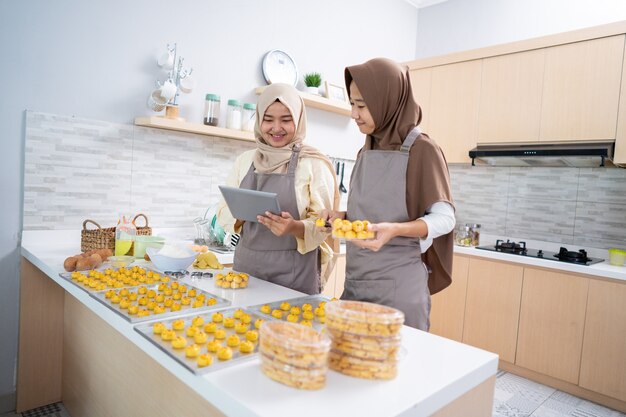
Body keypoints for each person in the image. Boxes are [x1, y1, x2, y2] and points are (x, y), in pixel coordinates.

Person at [320, 58, 455, 330]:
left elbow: (445, 219)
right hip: (356, 283)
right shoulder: (365, 151)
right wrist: (343, 217)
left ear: (387, 101)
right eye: (351, 104)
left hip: (399, 290)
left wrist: (395, 230)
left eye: (361, 105)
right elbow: (374, 212)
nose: (353, 114)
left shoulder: (422, 149)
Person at [216, 83, 339, 295]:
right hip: (247, 268)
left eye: (286, 119)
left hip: (294, 273)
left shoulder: (313, 163)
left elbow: (325, 223)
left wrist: (294, 227)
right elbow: (222, 211)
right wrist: (241, 214)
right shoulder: (245, 160)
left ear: (299, 120)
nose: (276, 128)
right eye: (268, 119)